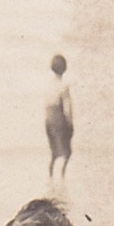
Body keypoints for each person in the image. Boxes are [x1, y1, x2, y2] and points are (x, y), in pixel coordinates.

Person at [44, 54, 74, 183]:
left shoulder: (48, 84)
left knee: (53, 151)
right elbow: (67, 107)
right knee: (67, 151)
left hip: (48, 118)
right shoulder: (64, 85)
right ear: (65, 68)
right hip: (58, 117)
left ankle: (50, 177)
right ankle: (62, 176)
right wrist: (70, 122)